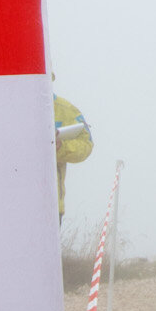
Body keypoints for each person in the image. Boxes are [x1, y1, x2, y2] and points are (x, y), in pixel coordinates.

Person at [53, 86, 94, 221]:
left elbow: (86, 143)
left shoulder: (64, 110)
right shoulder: (3, 106)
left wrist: (61, 148)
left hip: (50, 206)